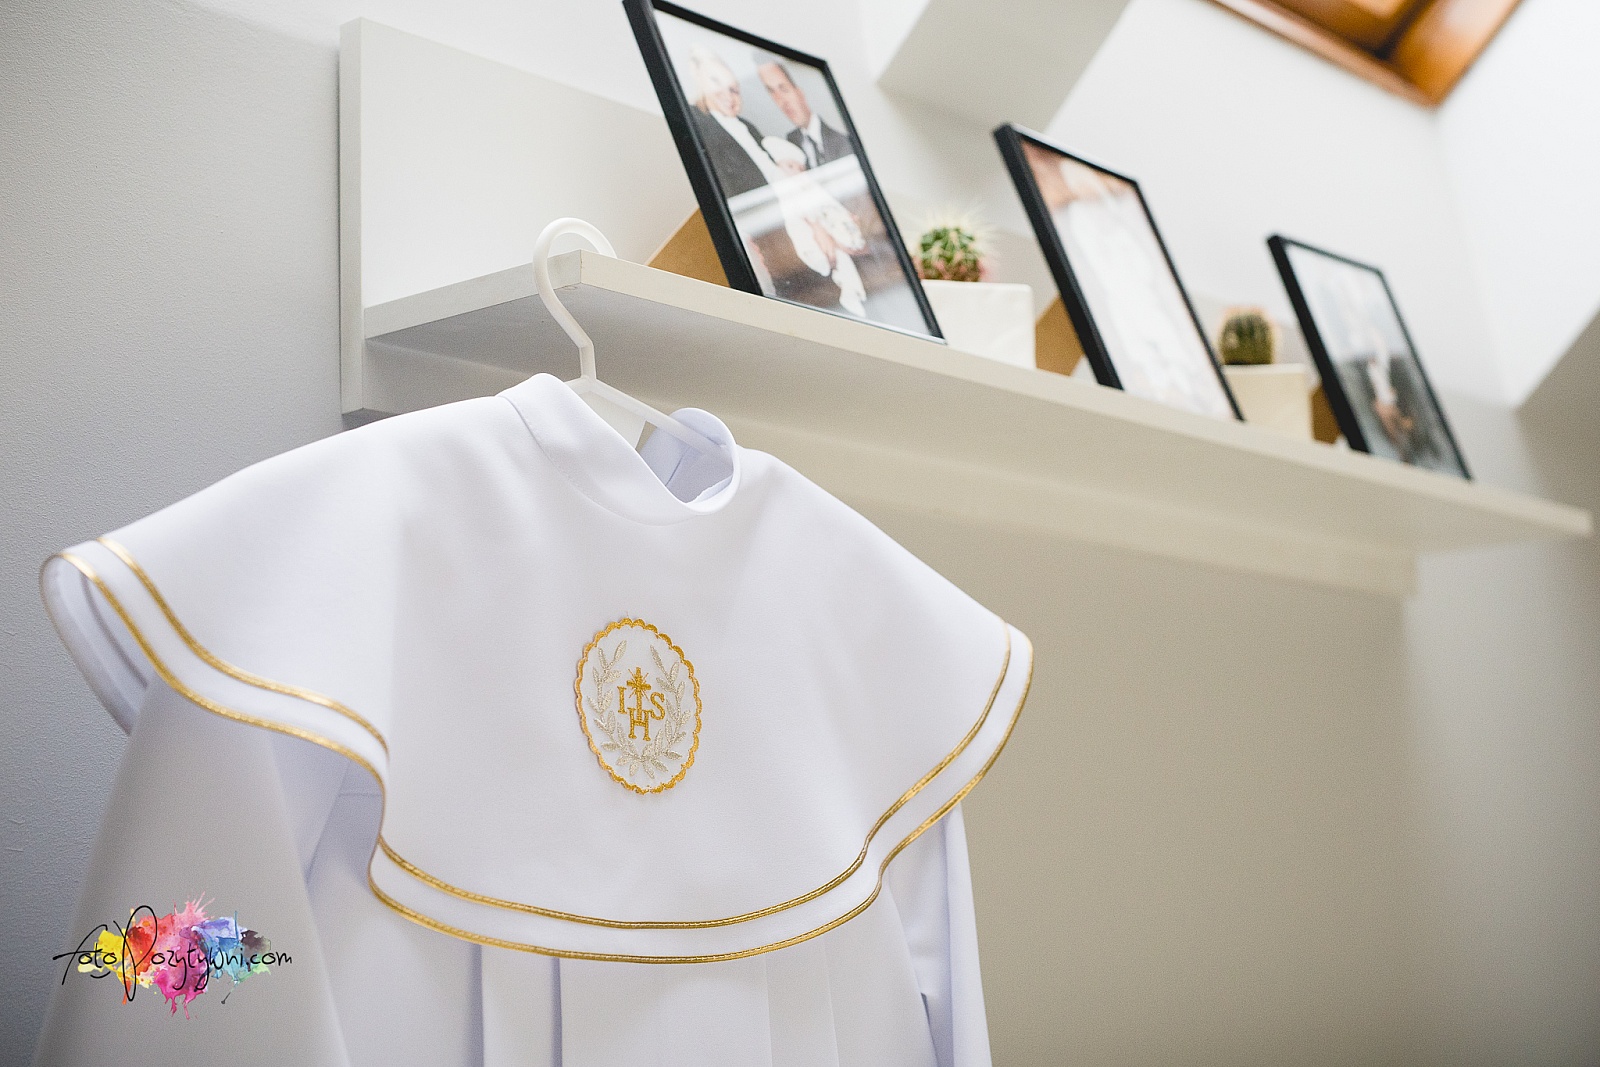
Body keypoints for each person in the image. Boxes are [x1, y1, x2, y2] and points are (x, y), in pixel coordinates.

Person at [685, 46, 770, 197]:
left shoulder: (747, 127)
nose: (728, 96)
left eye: (733, 89)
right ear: (698, 77)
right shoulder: (693, 120)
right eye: (716, 81)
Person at [757, 60, 852, 169]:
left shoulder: (842, 140)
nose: (782, 101)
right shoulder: (790, 142)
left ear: (799, 91)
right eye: (772, 93)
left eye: (784, 89)